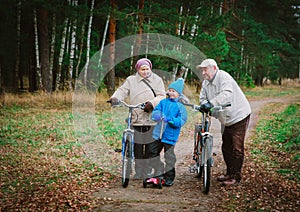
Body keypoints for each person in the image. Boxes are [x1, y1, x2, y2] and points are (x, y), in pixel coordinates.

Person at [196, 58, 251, 186]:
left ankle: (236, 177)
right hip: (225, 119)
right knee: (226, 147)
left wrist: (212, 103)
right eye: (202, 70)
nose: (203, 72)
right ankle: (229, 173)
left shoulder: (224, 77)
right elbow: (202, 97)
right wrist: (204, 105)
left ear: (214, 68)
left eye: (205, 69)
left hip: (238, 116)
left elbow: (227, 94)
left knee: (236, 147)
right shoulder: (206, 82)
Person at [108, 58, 166, 179]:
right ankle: (139, 171)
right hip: (136, 117)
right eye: (142, 69)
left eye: (147, 69)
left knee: (151, 147)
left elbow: (162, 96)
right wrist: (115, 98)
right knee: (137, 148)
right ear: (138, 69)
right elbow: (122, 90)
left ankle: (149, 170)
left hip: (152, 119)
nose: (145, 72)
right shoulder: (131, 80)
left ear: (150, 68)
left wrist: (152, 103)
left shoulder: (157, 80)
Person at [150, 78, 188, 186]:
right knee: (152, 152)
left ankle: (169, 177)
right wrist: (158, 115)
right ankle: (159, 171)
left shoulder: (180, 107)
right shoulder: (163, 102)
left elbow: (181, 120)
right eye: (170, 90)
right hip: (158, 134)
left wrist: (170, 120)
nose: (171, 93)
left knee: (169, 157)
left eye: (174, 91)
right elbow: (155, 112)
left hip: (170, 136)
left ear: (179, 94)